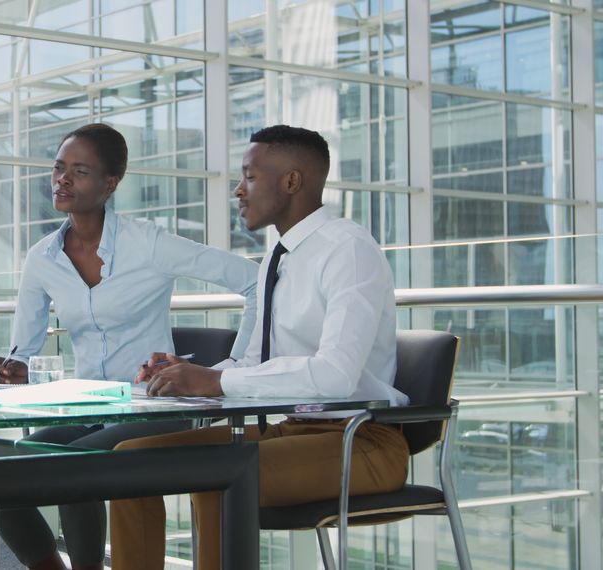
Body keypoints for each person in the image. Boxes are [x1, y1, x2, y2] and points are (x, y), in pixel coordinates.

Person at [109, 125, 411, 570]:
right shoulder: (279, 254)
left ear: (291, 181)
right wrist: (186, 374)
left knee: (218, 475)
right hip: (289, 432)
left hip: (361, 441)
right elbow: (254, 361)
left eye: (249, 176)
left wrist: (217, 380)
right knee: (129, 461)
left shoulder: (348, 250)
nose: (238, 189)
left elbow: (335, 376)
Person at [0, 123, 261, 570]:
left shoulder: (148, 244)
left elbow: (254, 281)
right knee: (2, 466)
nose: (62, 180)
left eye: (79, 171)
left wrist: (230, 369)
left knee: (71, 461)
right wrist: (15, 366)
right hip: (88, 406)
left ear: (110, 184)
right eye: (58, 168)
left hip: (154, 406)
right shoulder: (42, 259)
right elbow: (25, 347)